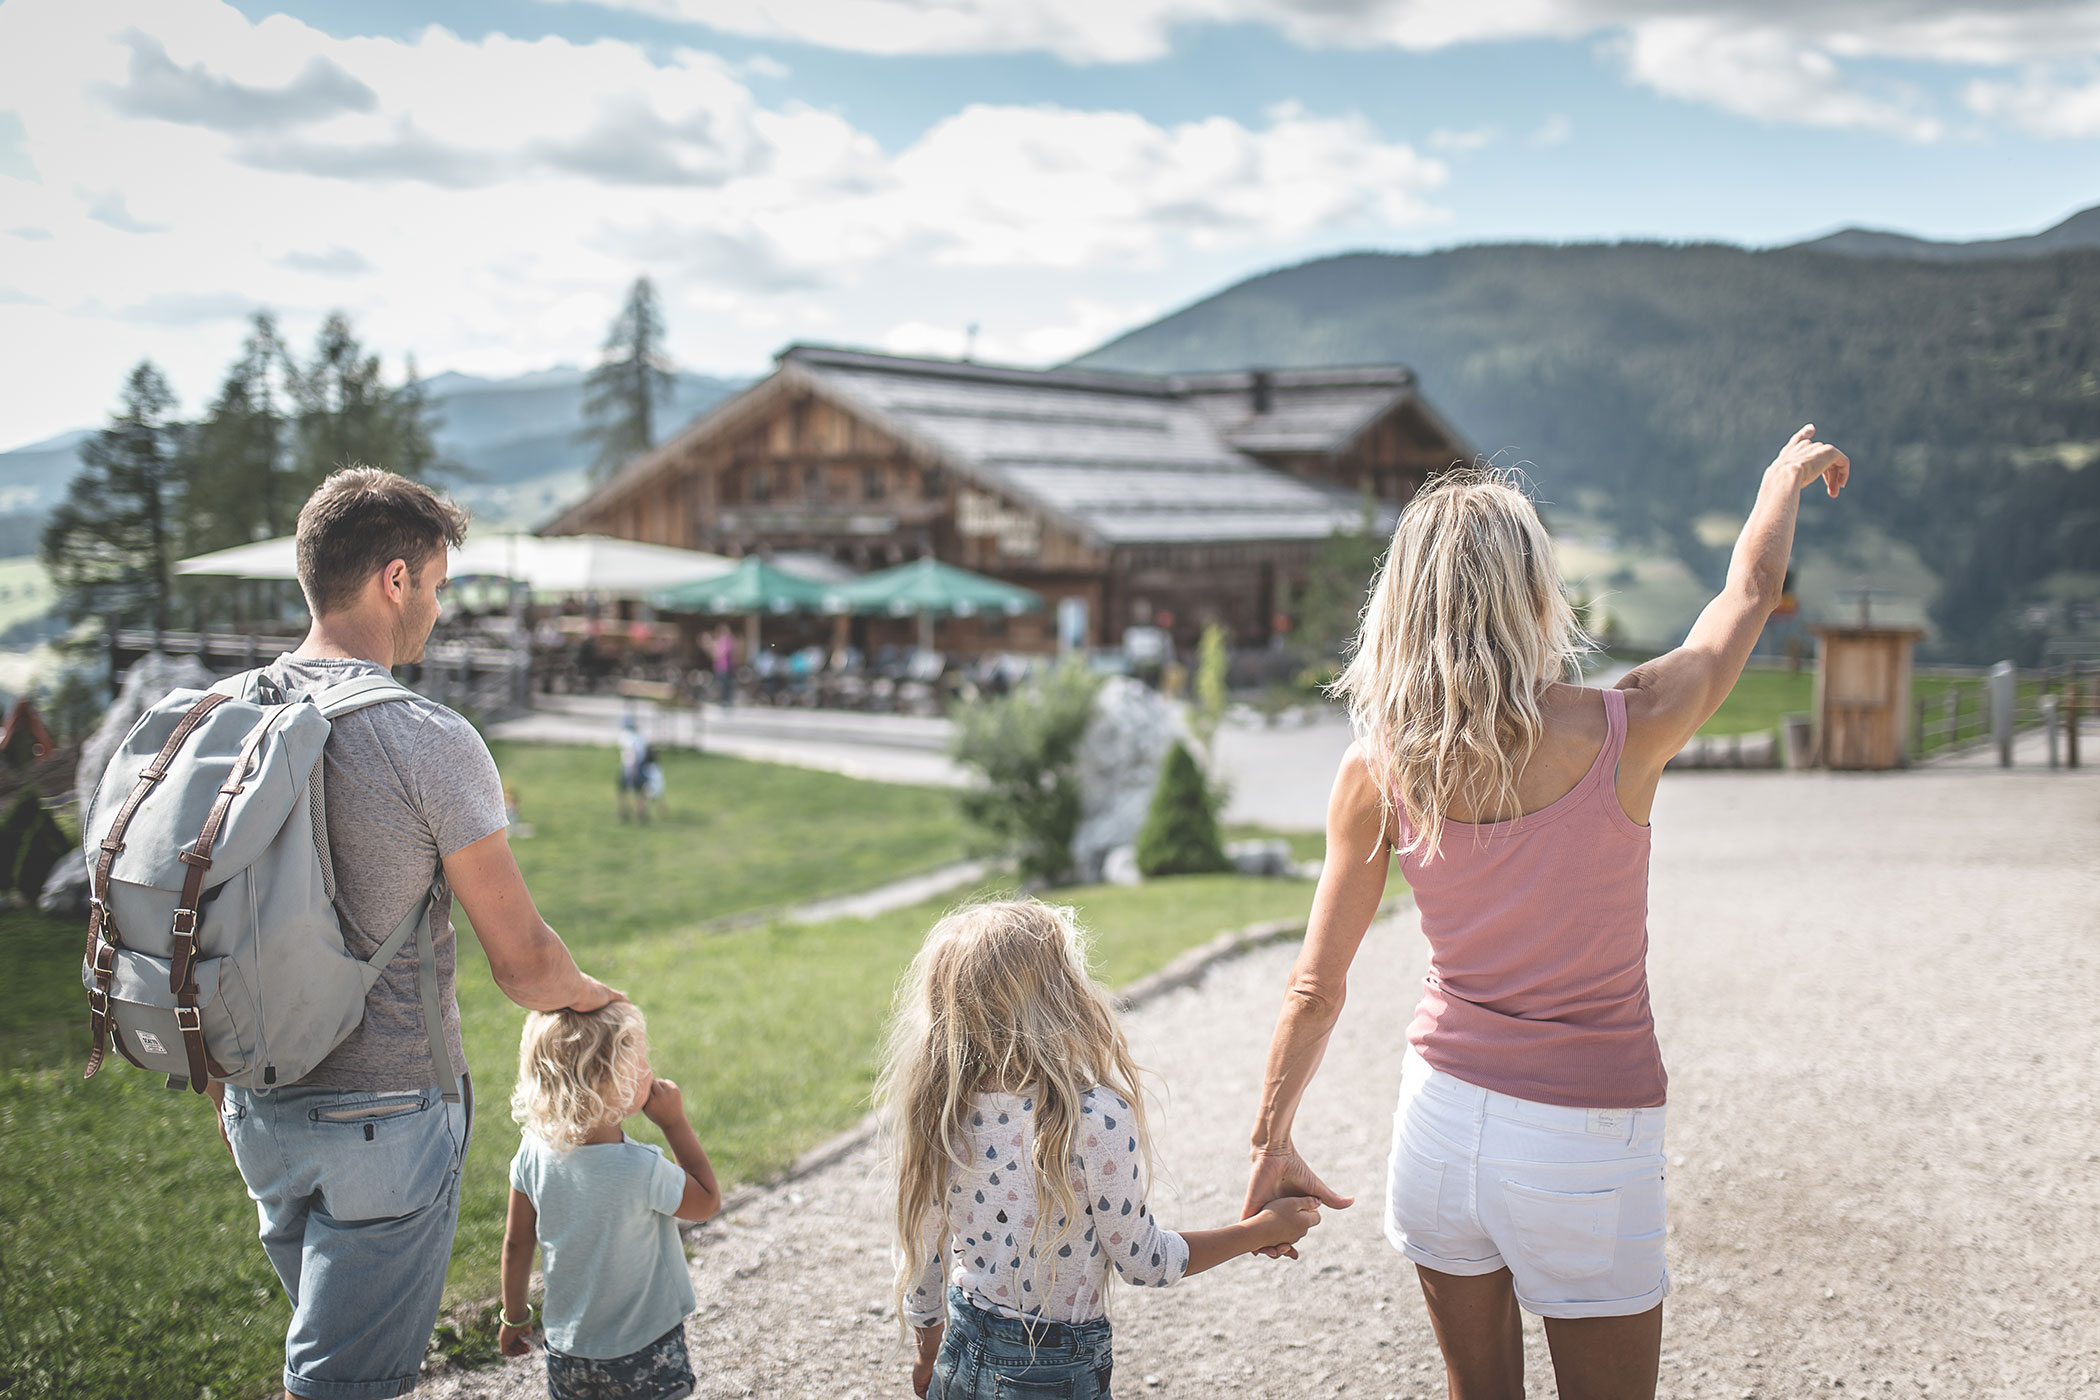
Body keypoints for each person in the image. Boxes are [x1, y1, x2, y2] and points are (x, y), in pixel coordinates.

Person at [1239, 428, 1850, 1400]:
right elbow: (1746, 594)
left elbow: (1315, 984)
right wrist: (1780, 485)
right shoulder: (1629, 725)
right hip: (1585, 1141)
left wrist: (1272, 1138)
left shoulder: (1377, 766)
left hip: (1437, 1126)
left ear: (1404, 605)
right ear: (1531, 593)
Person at [217, 465, 621, 1400]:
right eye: (437, 586)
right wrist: (596, 997)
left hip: (253, 1105)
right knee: (346, 1379)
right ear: (394, 580)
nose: (437, 610)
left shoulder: (225, 715)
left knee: (334, 1343)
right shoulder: (427, 738)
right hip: (388, 1118)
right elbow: (522, 966)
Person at [879, 899, 1325, 1400]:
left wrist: (927, 1344)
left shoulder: (941, 1113)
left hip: (959, 1352)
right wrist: (1260, 1230)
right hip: (1050, 1373)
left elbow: (923, 1254)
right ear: (1063, 997)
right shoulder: (1092, 1118)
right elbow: (1143, 1262)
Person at [499, 1002, 721, 1400]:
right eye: (640, 1061)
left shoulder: (532, 1151)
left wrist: (514, 1316)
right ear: (614, 1083)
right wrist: (674, 1123)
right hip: (644, 1350)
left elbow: (517, 1242)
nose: (649, 1068)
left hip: (567, 1351)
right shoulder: (641, 1168)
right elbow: (706, 1202)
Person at [616, 715, 655, 823]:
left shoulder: (628, 737)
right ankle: (640, 813)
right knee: (640, 791)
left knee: (623, 790)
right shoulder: (639, 736)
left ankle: (625, 812)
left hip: (631, 767)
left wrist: (633, 769)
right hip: (639, 766)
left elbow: (632, 753)